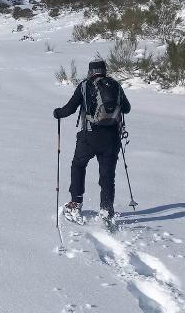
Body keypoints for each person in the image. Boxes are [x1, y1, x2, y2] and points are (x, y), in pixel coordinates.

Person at [53, 58, 131, 226]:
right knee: (108, 174)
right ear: (104, 70)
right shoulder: (115, 85)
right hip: (112, 139)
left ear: (90, 71)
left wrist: (58, 113)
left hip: (89, 137)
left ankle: (76, 202)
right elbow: (127, 109)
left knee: (78, 165)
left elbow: (70, 108)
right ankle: (106, 209)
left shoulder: (84, 86)